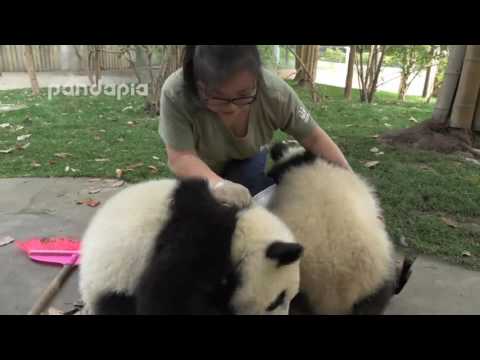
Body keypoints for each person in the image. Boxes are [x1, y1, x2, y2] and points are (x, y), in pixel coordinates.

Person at [159, 45, 350, 208]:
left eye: (243, 95)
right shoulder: (176, 93)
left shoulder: (276, 94)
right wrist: (217, 185)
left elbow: (315, 139)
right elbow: (181, 158)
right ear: (198, 86)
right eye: (218, 97)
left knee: (260, 196)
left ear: (257, 79)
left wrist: (354, 187)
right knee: (197, 217)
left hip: (248, 156)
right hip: (198, 166)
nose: (232, 108)